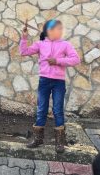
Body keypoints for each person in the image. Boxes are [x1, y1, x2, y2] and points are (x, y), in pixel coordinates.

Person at [20, 19, 80, 153]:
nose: (60, 31)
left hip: (59, 82)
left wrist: (58, 61)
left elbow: (76, 59)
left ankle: (60, 142)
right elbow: (23, 52)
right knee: (41, 109)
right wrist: (24, 37)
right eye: (57, 29)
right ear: (49, 31)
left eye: (61, 29)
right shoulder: (40, 44)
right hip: (44, 81)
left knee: (58, 110)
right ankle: (38, 139)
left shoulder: (65, 44)